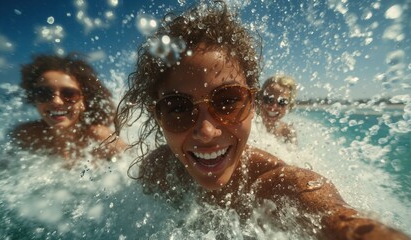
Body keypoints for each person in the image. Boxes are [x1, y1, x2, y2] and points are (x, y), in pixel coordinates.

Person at [115, 2, 409, 239]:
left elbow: (339, 219)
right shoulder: (156, 171)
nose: (206, 131)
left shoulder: (280, 185)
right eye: (177, 107)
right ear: (157, 116)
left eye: (228, 100)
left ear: (251, 103)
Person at [11, 53, 126, 162]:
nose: (56, 101)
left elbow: (134, 166)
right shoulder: (26, 136)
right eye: (44, 93)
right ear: (34, 99)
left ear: (83, 102)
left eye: (69, 94)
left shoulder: (100, 137)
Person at [258, 75, 297, 144]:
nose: (273, 107)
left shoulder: (288, 132)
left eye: (282, 102)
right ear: (260, 98)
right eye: (269, 99)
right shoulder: (250, 123)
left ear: (289, 106)